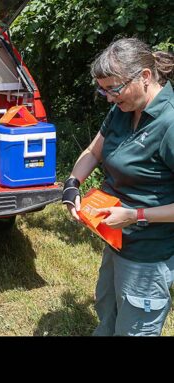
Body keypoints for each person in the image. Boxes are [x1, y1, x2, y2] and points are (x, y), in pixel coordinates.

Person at [62, 37, 174, 336]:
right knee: (107, 308)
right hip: (115, 238)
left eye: (114, 89)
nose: (109, 98)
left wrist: (136, 215)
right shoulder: (122, 110)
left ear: (145, 77)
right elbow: (93, 152)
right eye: (103, 90)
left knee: (134, 327)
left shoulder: (170, 123)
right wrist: (72, 185)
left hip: (147, 253)